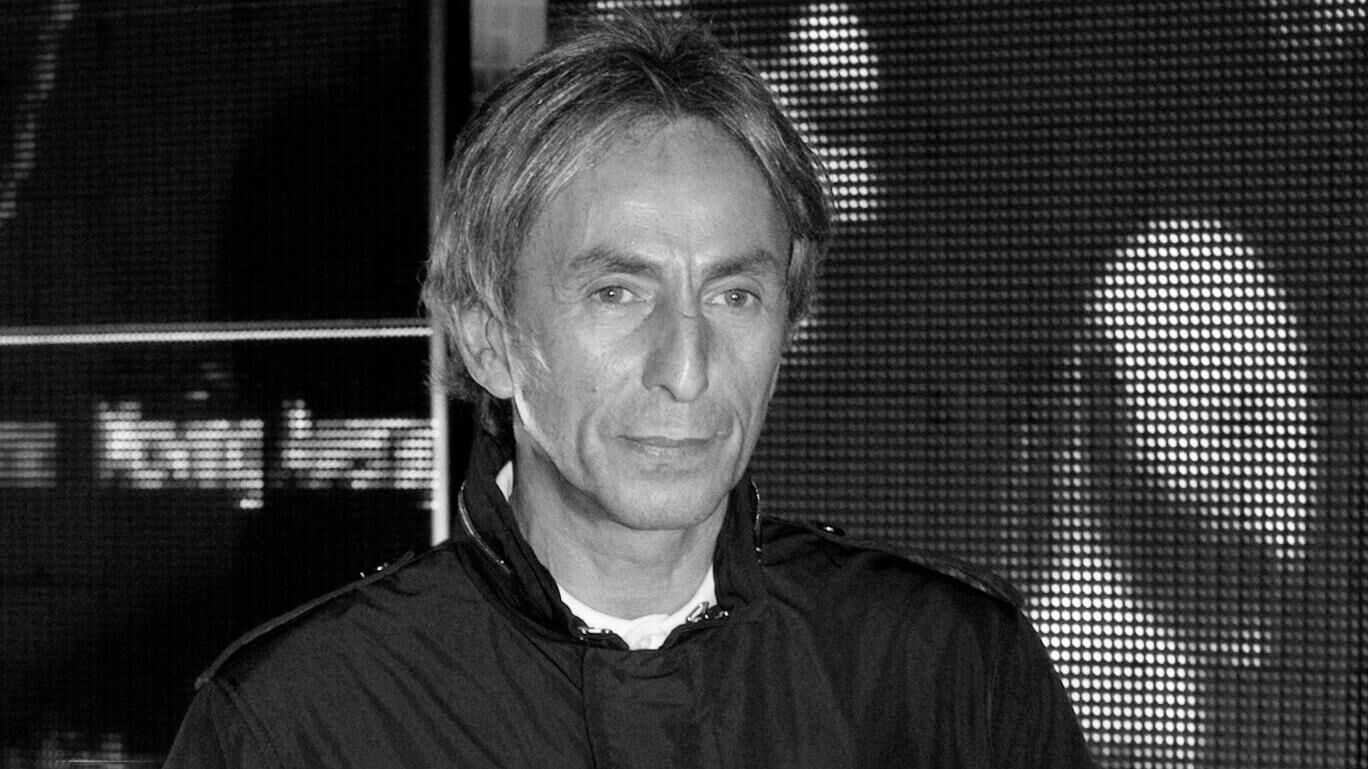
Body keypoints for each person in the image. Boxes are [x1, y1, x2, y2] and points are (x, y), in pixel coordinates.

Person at [164, 13, 1096, 768]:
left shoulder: (952, 674)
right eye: (618, 293)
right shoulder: (296, 722)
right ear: (487, 337)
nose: (686, 369)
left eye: (734, 295)